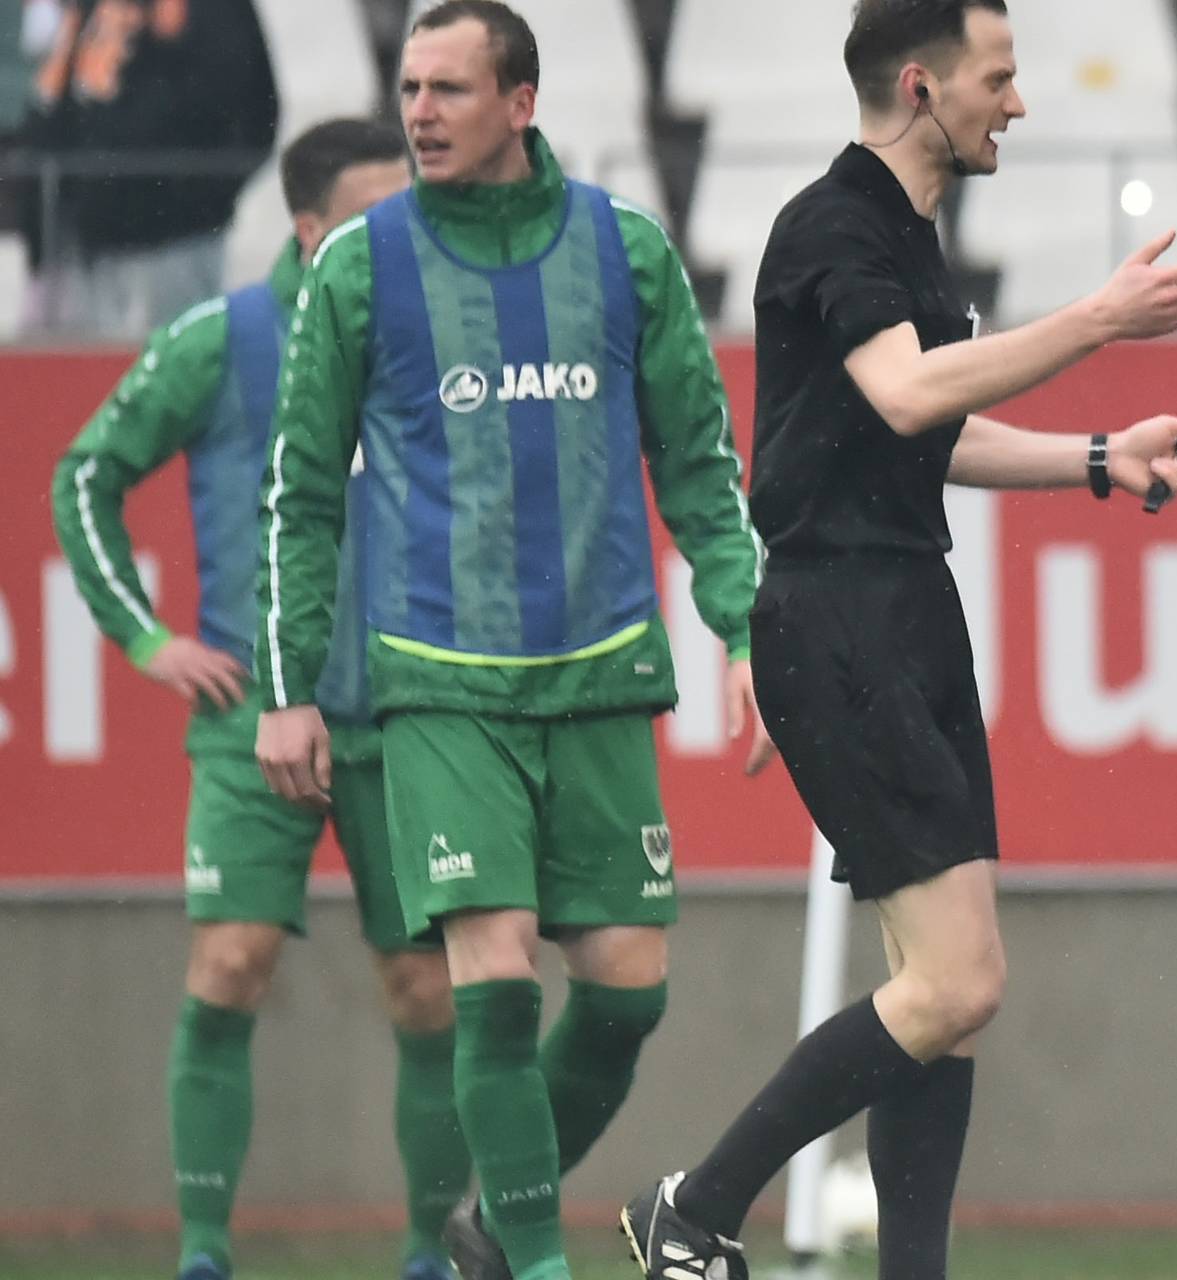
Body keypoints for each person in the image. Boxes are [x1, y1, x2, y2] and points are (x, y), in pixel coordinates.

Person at [620, 4, 1177, 1278]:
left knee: (939, 1004)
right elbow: (908, 392)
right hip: (840, 617)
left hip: (902, 605)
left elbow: (926, 427)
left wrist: (1098, 459)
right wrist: (1097, 319)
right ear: (920, 86)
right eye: (997, 77)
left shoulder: (906, 236)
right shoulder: (833, 223)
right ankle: (695, 1203)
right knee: (957, 982)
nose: (1017, 102)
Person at [250, 5, 769, 1279]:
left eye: (450, 89)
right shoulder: (359, 266)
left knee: (628, 990)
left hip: (601, 672)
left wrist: (747, 626)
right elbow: (301, 493)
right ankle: (539, 1265)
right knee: (491, 975)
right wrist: (291, 685)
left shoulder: (625, 249)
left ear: (521, 103)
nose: (419, 112)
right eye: (409, 87)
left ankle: (490, 1225)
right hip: (440, 681)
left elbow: (698, 461)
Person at [48, 117, 460, 1280]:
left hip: (411, 715)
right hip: (251, 715)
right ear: (312, 228)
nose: (406, 232)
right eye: (379, 214)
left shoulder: (449, 334)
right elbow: (84, 474)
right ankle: (203, 1255)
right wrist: (144, 636)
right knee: (230, 964)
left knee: (428, 989)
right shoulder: (221, 339)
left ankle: (431, 1253)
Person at [19, 0, 277, 338]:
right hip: (90, 242)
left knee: (175, 354)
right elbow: (55, 118)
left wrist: (202, 200)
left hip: (178, 237)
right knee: (96, 364)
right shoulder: (91, 12)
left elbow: (249, 113)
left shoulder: (212, 13)